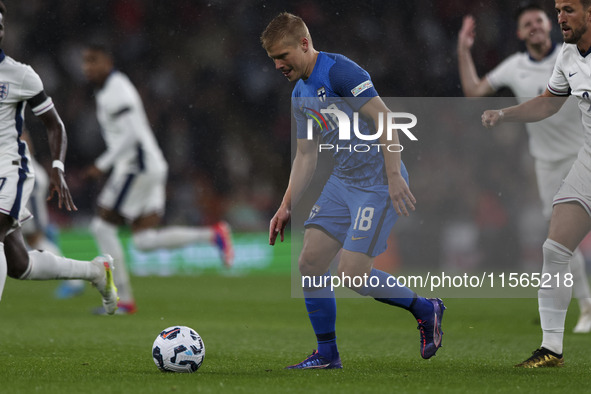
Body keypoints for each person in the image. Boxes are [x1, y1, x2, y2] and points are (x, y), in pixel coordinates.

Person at [262, 12, 445, 369]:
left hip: (377, 183)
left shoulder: (341, 72)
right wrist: (285, 206)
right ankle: (327, 354)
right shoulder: (301, 92)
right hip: (343, 182)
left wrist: (393, 176)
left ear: (304, 43)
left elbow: (385, 120)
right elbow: (305, 154)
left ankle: (426, 308)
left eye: (282, 56)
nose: (278, 65)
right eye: (272, 60)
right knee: (310, 262)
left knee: (352, 274)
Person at [458, 3, 591, 334]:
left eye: (539, 19)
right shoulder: (514, 67)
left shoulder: (572, 53)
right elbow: (474, 91)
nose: (535, 25)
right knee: (560, 240)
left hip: (582, 154)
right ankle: (586, 306)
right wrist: (463, 51)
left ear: (549, 26)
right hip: (547, 163)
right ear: (519, 33)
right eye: (526, 23)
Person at [81, 44, 234, 314]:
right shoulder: (113, 88)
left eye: (94, 60)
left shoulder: (115, 91)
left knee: (102, 228)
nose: (88, 67)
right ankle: (213, 234)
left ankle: (121, 300)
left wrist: (101, 165)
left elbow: (131, 135)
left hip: (136, 167)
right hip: (149, 165)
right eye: (85, 62)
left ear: (108, 61)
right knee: (144, 240)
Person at [0, 1, 118, 314]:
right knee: (19, 264)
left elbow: (54, 124)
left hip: (9, 170)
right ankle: (95, 272)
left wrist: (56, 166)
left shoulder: (20, 75)